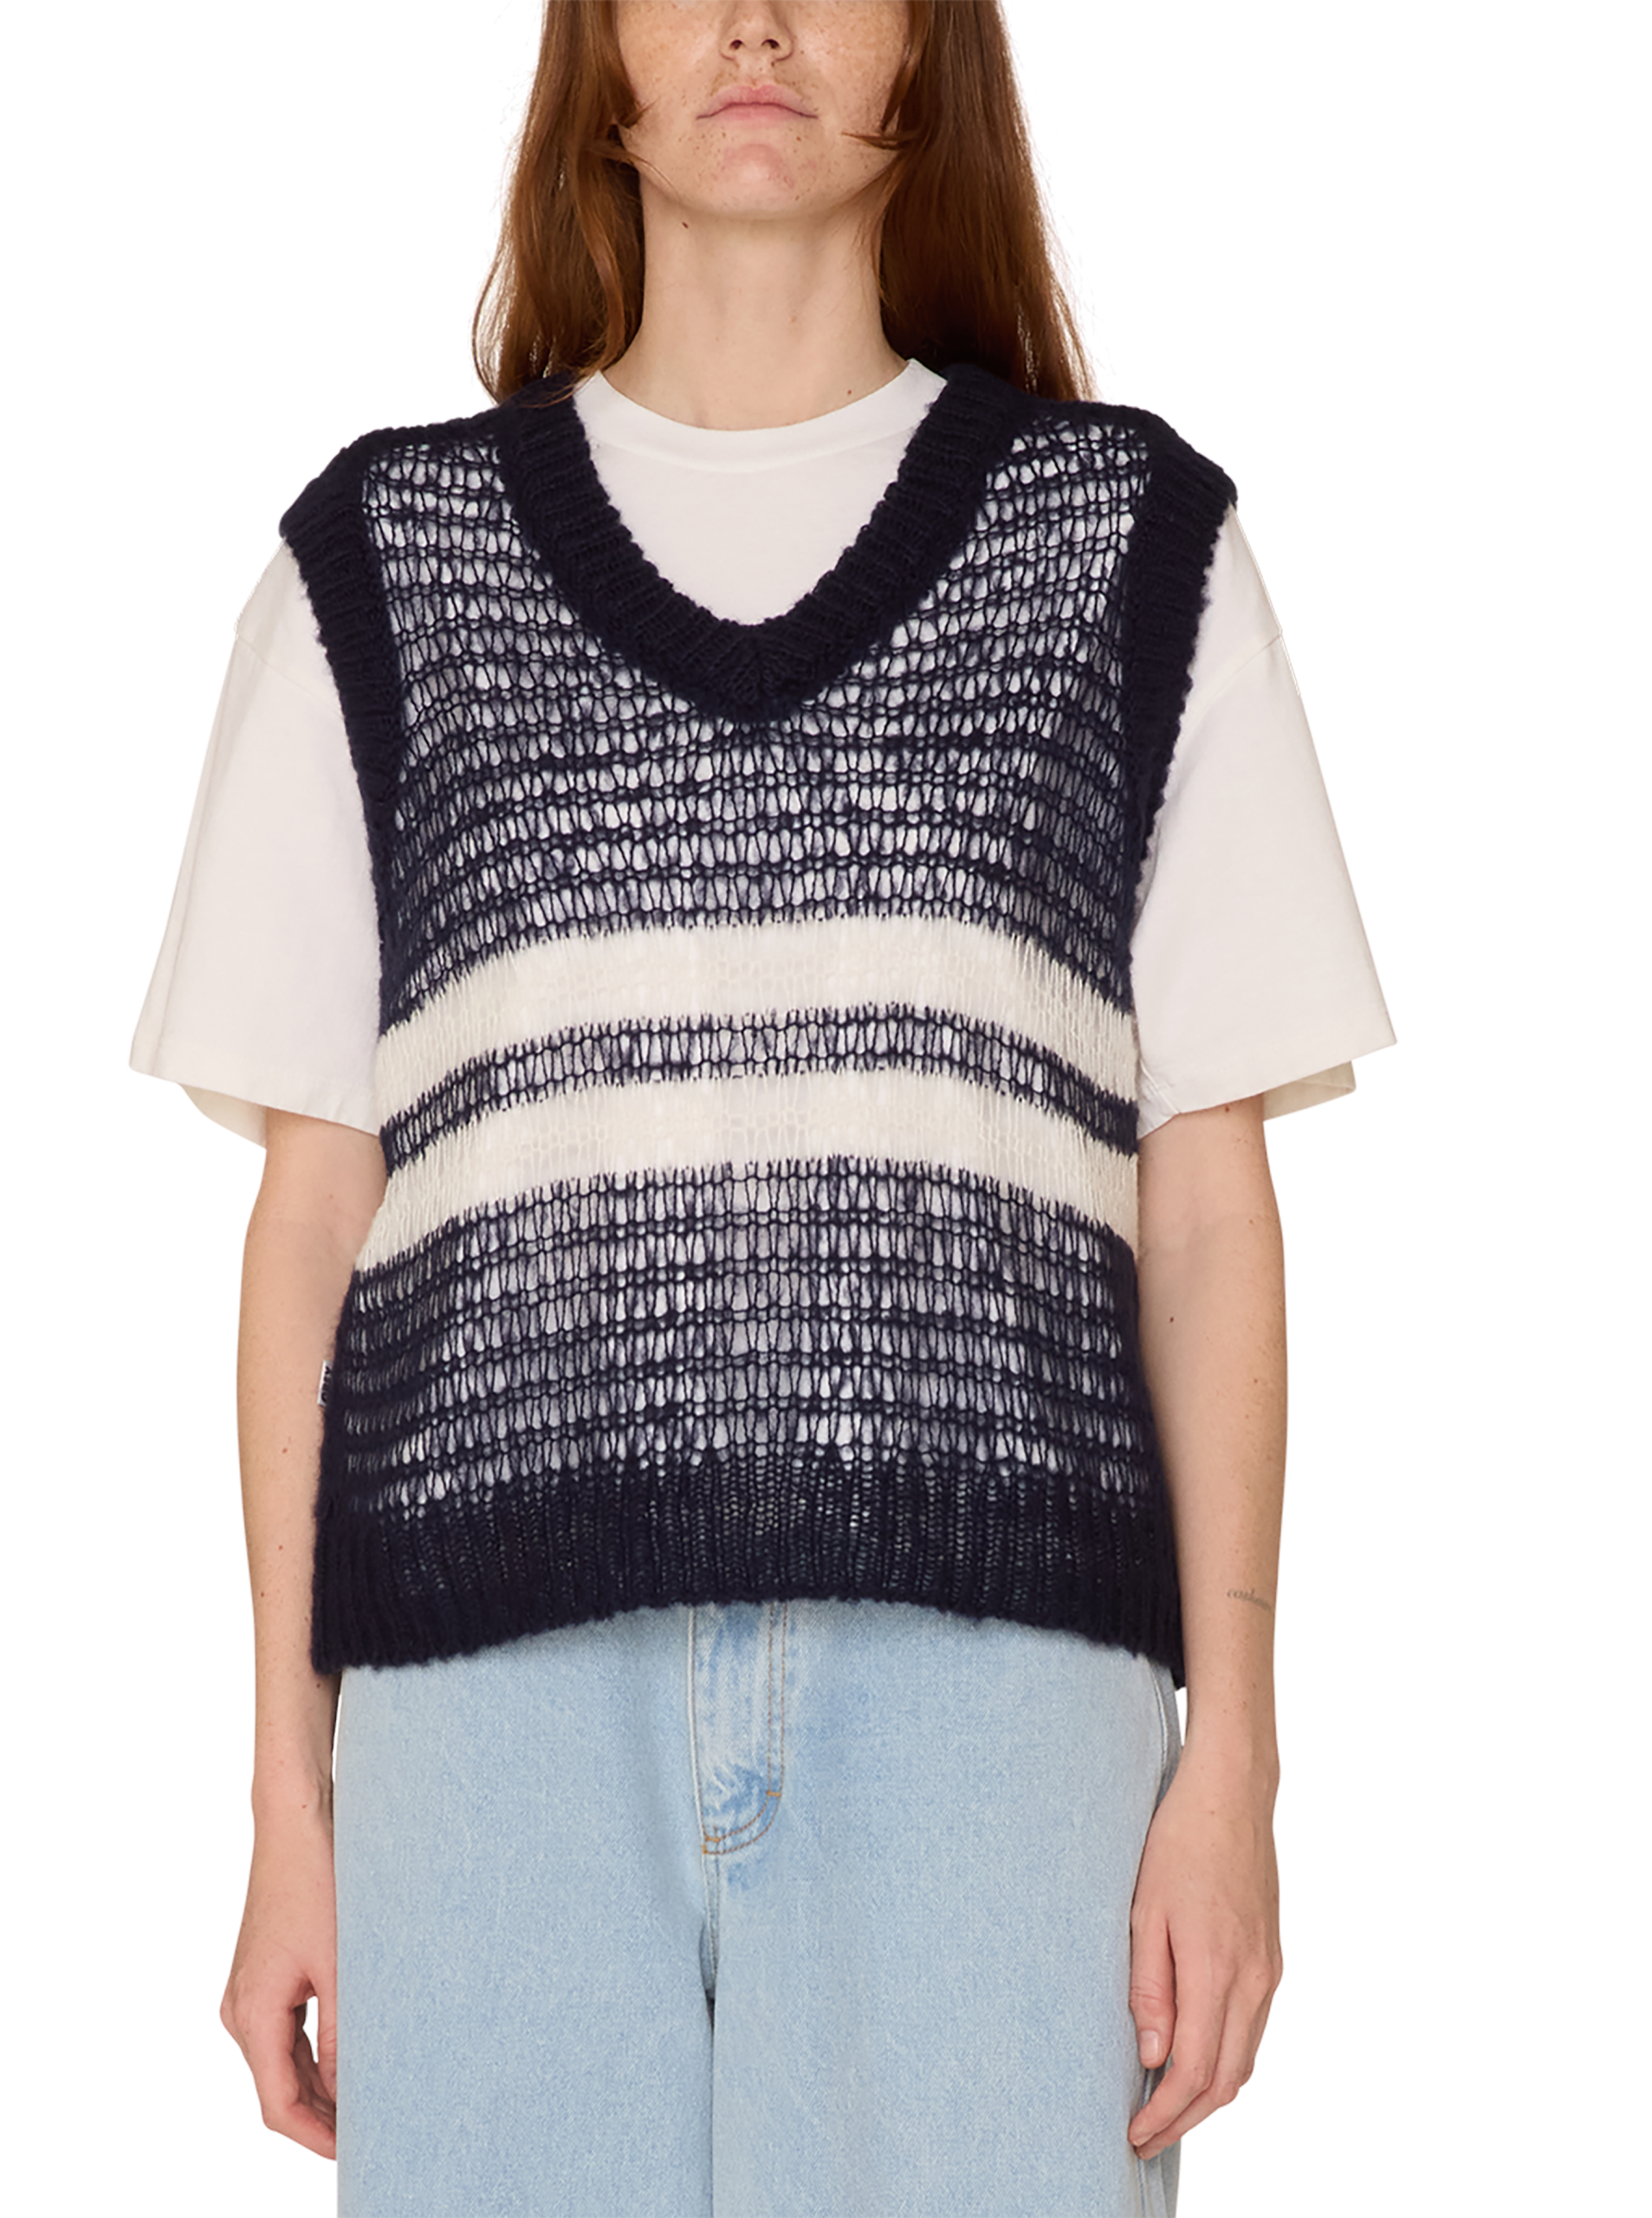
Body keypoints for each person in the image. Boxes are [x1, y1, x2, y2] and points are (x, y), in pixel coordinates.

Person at [129, 3, 1396, 2210]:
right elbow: (310, 1225)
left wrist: (1234, 1773)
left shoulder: (1133, 547)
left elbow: (1205, 1203)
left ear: (938, 44)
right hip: (486, 1702)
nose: (754, 23)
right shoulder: (379, 560)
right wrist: (288, 1800)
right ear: (591, 48)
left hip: (1001, 1704)